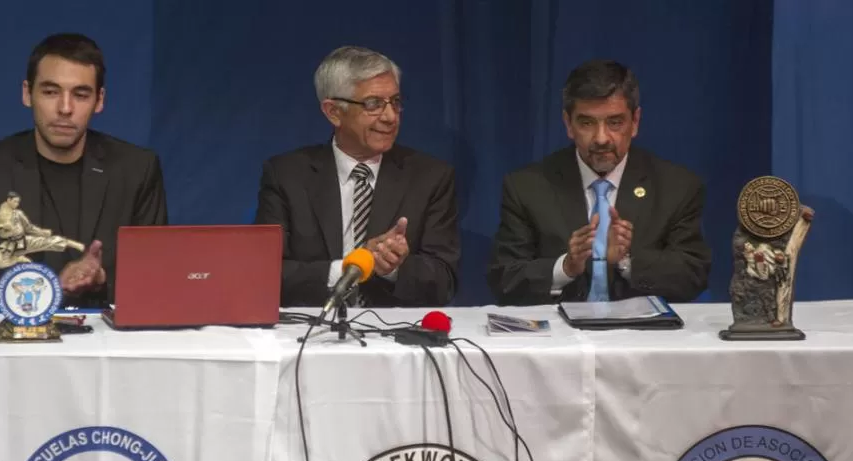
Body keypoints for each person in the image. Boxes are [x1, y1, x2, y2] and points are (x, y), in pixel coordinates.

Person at [0, 33, 168, 309]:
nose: (65, 108)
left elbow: (158, 282)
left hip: (106, 342)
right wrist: (48, 285)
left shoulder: (137, 169)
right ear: (27, 94)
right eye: (50, 92)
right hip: (14, 342)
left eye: (81, 95)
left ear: (99, 100)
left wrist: (103, 279)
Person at [487, 59, 711, 305]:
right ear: (568, 124)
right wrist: (567, 266)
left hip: (642, 338)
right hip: (560, 338)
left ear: (635, 122)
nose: (601, 138)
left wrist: (626, 261)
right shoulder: (527, 187)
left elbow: (693, 276)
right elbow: (505, 278)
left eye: (614, 122)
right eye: (586, 123)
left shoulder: (676, 187)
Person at [255, 46, 460, 308]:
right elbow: (266, 274)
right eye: (373, 104)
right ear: (333, 112)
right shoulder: (287, 175)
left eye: (395, 102)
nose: (389, 117)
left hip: (393, 336)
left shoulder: (431, 177)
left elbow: (445, 282)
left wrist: (392, 268)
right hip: (310, 330)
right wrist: (351, 267)